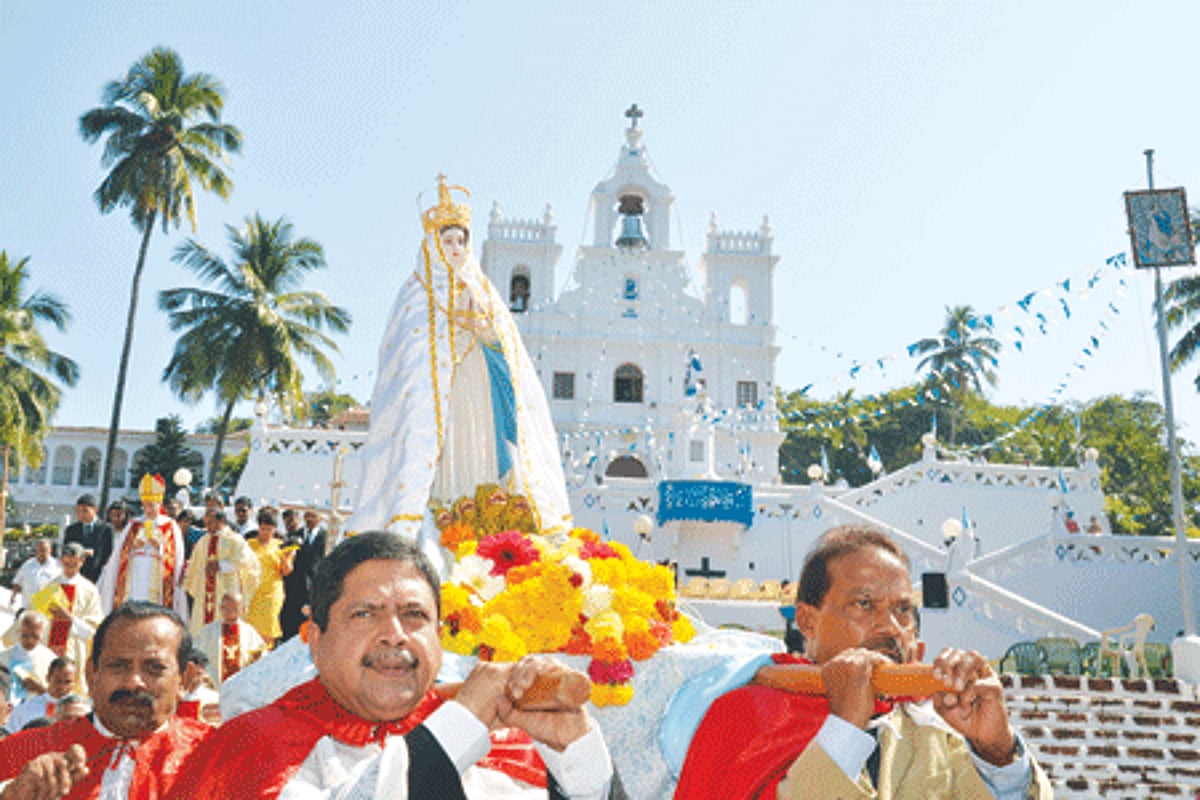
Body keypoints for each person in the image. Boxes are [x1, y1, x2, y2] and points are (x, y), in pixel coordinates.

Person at [170, 532, 614, 799]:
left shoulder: (505, 741)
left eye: (415, 616)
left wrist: (578, 761)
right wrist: (459, 729)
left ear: (439, 641)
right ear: (316, 641)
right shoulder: (253, 744)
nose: (394, 633)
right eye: (365, 613)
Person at [676, 525, 1052, 800]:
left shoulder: (941, 732)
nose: (891, 628)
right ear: (808, 621)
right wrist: (844, 728)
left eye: (903, 610)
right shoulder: (744, 715)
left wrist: (998, 753)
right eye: (864, 605)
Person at [344, 176, 571, 544]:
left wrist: (481, 329)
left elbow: (510, 358)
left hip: (481, 396)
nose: (455, 248)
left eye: (461, 241)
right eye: (447, 241)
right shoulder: (415, 295)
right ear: (433, 243)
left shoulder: (484, 291)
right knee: (447, 465)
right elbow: (403, 366)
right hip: (439, 407)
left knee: (481, 462)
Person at [0, 601, 211, 799]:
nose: (133, 683)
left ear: (184, 679)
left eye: (154, 668)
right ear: (91, 674)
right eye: (118, 665)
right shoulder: (21, 753)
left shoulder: (215, 756)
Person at [182, 508, 260, 635]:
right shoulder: (203, 541)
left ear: (222, 520)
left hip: (225, 590)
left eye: (211, 522)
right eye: (206, 523)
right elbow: (195, 566)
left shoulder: (234, 540)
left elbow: (246, 562)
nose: (208, 527)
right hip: (205, 593)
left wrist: (221, 565)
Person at [40, 543, 102, 694]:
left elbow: (94, 631)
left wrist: (70, 620)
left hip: (75, 650)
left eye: (74, 565)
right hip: (49, 648)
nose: (69, 569)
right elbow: (37, 621)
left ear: (82, 562)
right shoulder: (49, 587)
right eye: (66, 564)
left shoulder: (89, 591)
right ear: (61, 561)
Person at [193, 592, 266, 685]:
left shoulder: (249, 632)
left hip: (242, 687)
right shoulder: (208, 631)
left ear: (243, 610)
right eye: (227, 610)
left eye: (235, 610)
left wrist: (256, 659)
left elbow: (262, 654)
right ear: (220, 608)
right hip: (214, 687)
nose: (231, 614)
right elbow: (196, 655)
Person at [246, 507, 294, 644]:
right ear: (259, 527)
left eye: (270, 530)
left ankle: (267, 655)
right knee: (252, 628)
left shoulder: (280, 546)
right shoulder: (249, 544)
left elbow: (287, 571)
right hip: (253, 592)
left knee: (268, 627)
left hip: (272, 593)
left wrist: (286, 558)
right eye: (263, 529)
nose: (266, 533)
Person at [280, 508, 326, 640]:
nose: (310, 519)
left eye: (313, 516)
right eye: (308, 516)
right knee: (292, 625)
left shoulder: (326, 537)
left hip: (315, 586)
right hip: (295, 587)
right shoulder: (295, 535)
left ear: (320, 519)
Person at [7, 656, 76, 733]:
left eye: (68, 682)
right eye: (58, 681)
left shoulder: (80, 710)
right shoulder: (27, 708)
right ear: (48, 678)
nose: (62, 687)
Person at [0, 613, 55, 706]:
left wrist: (40, 689)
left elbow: (58, 697)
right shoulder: (3, 658)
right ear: (18, 632)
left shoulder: (50, 660)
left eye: (35, 636)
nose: (30, 641)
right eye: (25, 635)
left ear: (42, 634)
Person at [61, 495, 113, 584]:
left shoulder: (106, 529)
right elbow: (66, 551)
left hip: (99, 576)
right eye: (78, 511)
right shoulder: (71, 530)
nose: (81, 515)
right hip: (77, 574)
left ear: (95, 509)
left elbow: (109, 552)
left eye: (85, 511)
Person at [11, 540, 61, 609]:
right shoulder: (27, 565)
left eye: (44, 550)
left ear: (50, 550)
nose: (42, 553)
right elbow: (18, 582)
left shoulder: (57, 566)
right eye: (40, 550)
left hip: (48, 608)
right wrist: (13, 597)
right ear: (36, 550)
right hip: (28, 607)